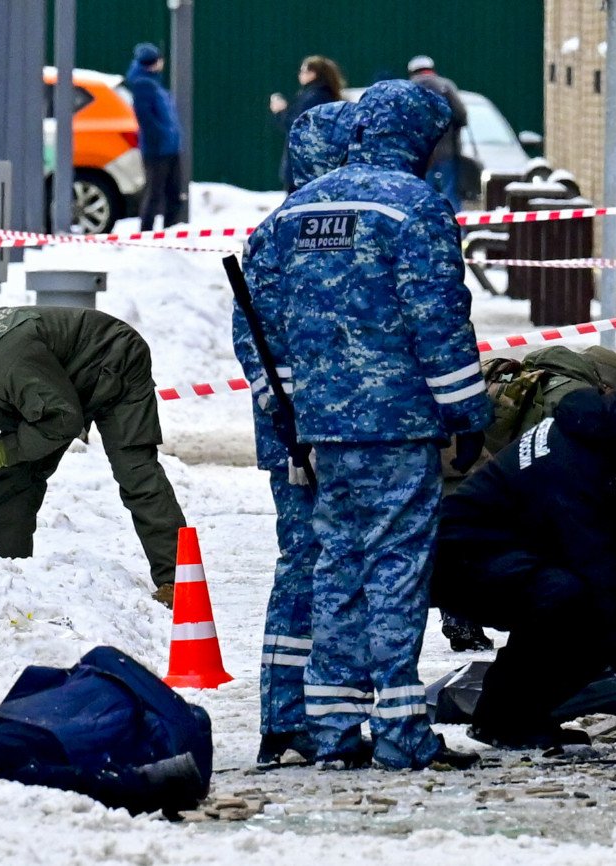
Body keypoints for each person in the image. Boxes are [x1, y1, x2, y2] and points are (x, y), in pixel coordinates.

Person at [246, 79, 491, 770]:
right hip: (396, 425)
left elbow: (265, 329)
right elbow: (438, 319)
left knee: (335, 567)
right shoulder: (414, 206)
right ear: (416, 138)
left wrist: (289, 413)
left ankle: (330, 728)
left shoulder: (296, 210)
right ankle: (402, 731)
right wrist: (467, 410)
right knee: (397, 568)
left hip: (322, 430)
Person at [432, 373, 616, 748]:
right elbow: (598, 568)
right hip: (461, 559)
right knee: (577, 603)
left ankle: (505, 717)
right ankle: (507, 719)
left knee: (600, 603)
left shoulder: (607, 442)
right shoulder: (576, 460)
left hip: (511, 553)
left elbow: (604, 554)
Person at [0, 306, 187, 605]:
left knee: (135, 472)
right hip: (51, 388)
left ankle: (179, 581)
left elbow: (63, 418)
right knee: (15, 477)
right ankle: (10, 579)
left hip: (111, 360)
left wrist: (2, 450)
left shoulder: (4, 365)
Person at [238, 99, 360, 765]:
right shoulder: (300, 230)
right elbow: (261, 343)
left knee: (313, 564)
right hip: (310, 433)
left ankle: (303, 713)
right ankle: (295, 715)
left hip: (313, 426)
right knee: (314, 564)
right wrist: (298, 419)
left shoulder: (285, 228)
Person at [439, 344, 616, 652]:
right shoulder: (572, 394)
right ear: (607, 383)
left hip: (456, 459)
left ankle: (461, 612)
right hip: (473, 467)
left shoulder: (537, 374)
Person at [125, 43, 183, 232]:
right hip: (158, 149)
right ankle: (149, 232)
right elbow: (146, 118)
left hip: (167, 146)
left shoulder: (151, 82)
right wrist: (162, 137)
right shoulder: (144, 85)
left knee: (170, 193)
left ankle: (169, 231)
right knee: (156, 193)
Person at [268, 56, 344, 192]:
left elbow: (297, 126)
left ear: (313, 73)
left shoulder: (312, 97)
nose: (299, 74)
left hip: (303, 166)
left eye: (303, 71)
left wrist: (281, 112)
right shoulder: (325, 95)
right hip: (317, 164)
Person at [406, 56, 467, 212]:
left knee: (424, 192)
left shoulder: (408, 89)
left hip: (421, 154)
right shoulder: (445, 86)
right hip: (447, 151)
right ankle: (454, 224)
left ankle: (426, 224)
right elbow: (461, 114)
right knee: (450, 192)